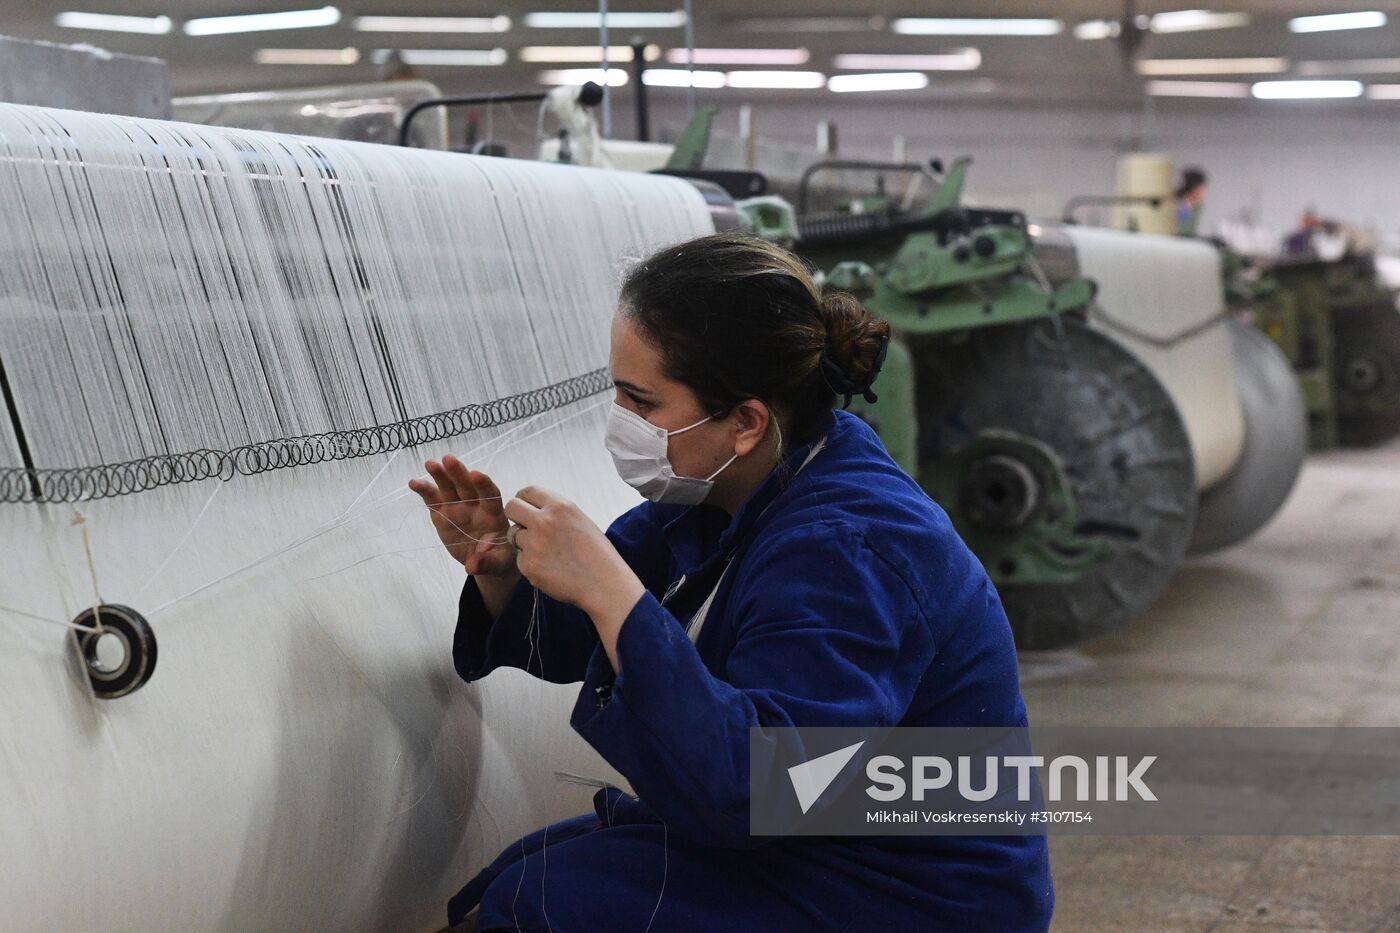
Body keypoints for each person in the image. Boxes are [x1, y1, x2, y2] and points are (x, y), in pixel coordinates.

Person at [409, 233, 1053, 932]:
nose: (622, 422)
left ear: (744, 421)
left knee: (539, 906)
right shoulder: (735, 489)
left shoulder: (847, 549)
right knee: (522, 872)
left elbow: (761, 789)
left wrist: (611, 594)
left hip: (907, 895)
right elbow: (581, 638)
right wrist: (505, 570)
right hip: (822, 852)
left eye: (642, 400)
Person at [1175, 166, 1208, 236]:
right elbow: (1181, 233)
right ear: (1196, 188)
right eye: (1203, 188)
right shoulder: (1183, 207)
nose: (1204, 192)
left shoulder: (1193, 207)